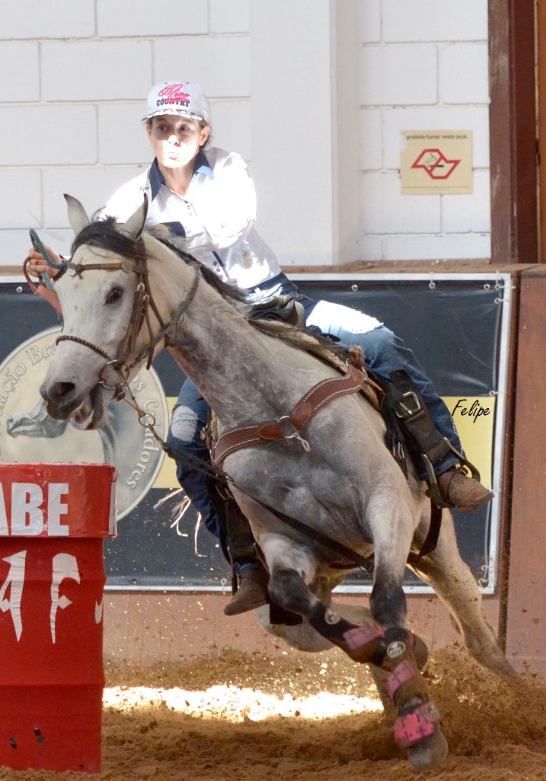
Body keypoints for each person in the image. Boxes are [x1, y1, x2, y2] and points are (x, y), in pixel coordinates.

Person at [27, 80, 491, 616]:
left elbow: (228, 226)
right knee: (185, 442)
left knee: (382, 344)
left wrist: (142, 240)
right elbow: (104, 271)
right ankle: (247, 559)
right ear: (149, 133)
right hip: (209, 337)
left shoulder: (225, 172)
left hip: (276, 305)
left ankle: (444, 464)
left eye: (183, 127)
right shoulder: (129, 200)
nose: (172, 137)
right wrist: (65, 271)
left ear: (202, 133)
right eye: (161, 127)